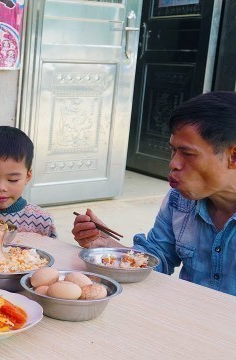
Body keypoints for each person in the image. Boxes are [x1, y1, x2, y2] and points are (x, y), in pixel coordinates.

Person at [72, 91, 236, 296]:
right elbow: (157, 260)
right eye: (173, 151)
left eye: (188, 153)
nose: (173, 163)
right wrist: (104, 244)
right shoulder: (180, 200)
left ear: (233, 156)